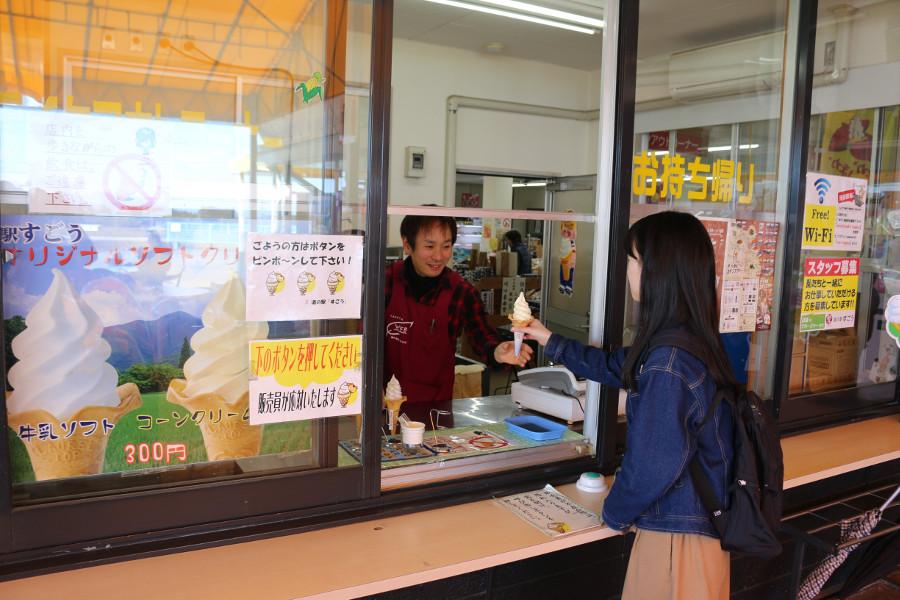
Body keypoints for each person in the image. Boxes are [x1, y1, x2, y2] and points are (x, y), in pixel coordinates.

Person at [513, 211, 735, 599]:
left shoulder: (669, 362)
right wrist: (548, 339)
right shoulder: (682, 340)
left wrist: (613, 514)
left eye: (632, 260)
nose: (627, 270)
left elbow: (655, 461)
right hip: (688, 527)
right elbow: (614, 365)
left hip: (677, 538)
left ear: (656, 272)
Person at [385, 214, 532, 426]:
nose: (438, 256)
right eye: (429, 246)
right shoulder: (386, 282)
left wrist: (498, 351)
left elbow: (482, 336)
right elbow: (363, 342)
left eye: (446, 246)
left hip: (435, 410)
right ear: (408, 245)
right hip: (385, 406)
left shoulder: (459, 291)